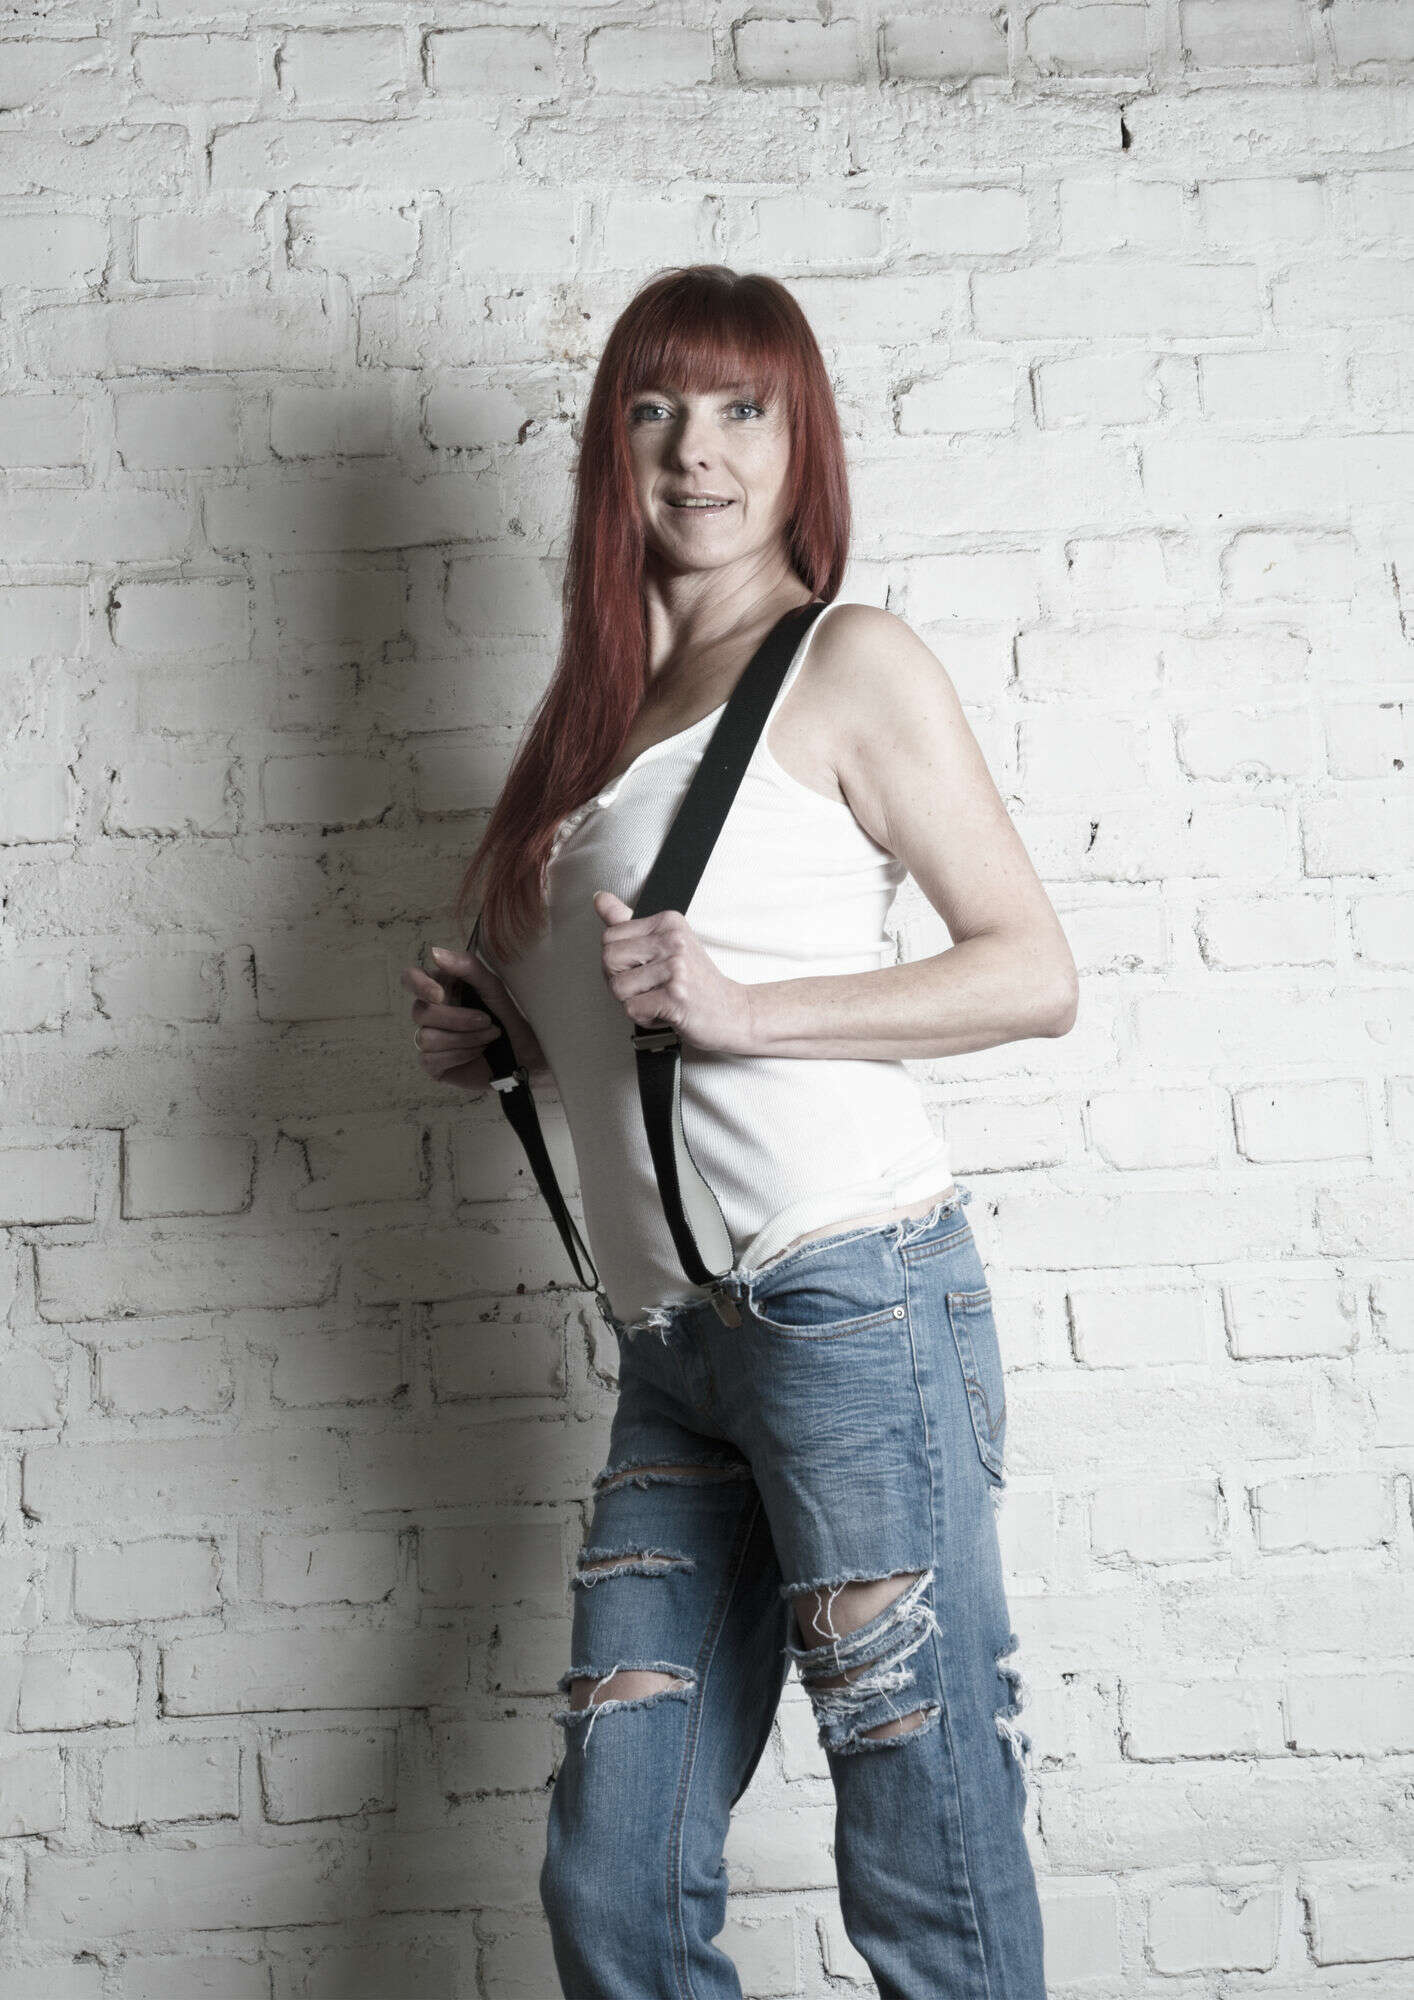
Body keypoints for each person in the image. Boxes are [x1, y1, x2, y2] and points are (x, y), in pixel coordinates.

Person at [401, 265, 1075, 1999]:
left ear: (799, 441)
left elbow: (1030, 972)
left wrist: (749, 1012)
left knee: (917, 1837)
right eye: (652, 410)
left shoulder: (846, 663)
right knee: (612, 1879)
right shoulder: (597, 717)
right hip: (676, 1350)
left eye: (737, 410)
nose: (692, 452)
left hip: (849, 1303)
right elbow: (639, 1026)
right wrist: (509, 1039)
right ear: (610, 450)